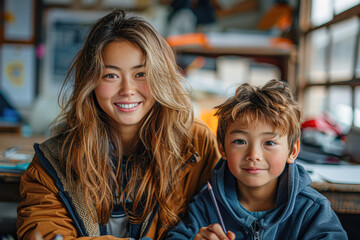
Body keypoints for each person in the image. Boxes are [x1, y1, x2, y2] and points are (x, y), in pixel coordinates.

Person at [17, 9, 220, 240]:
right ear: (90, 82)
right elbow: (45, 233)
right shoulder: (53, 160)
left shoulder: (195, 143)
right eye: (110, 76)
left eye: (141, 74)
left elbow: (229, 212)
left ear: (160, 77)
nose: (127, 91)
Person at [167, 80, 348, 239]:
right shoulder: (206, 205)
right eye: (240, 141)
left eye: (269, 142)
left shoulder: (312, 210)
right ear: (222, 148)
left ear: (292, 151)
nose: (253, 155)